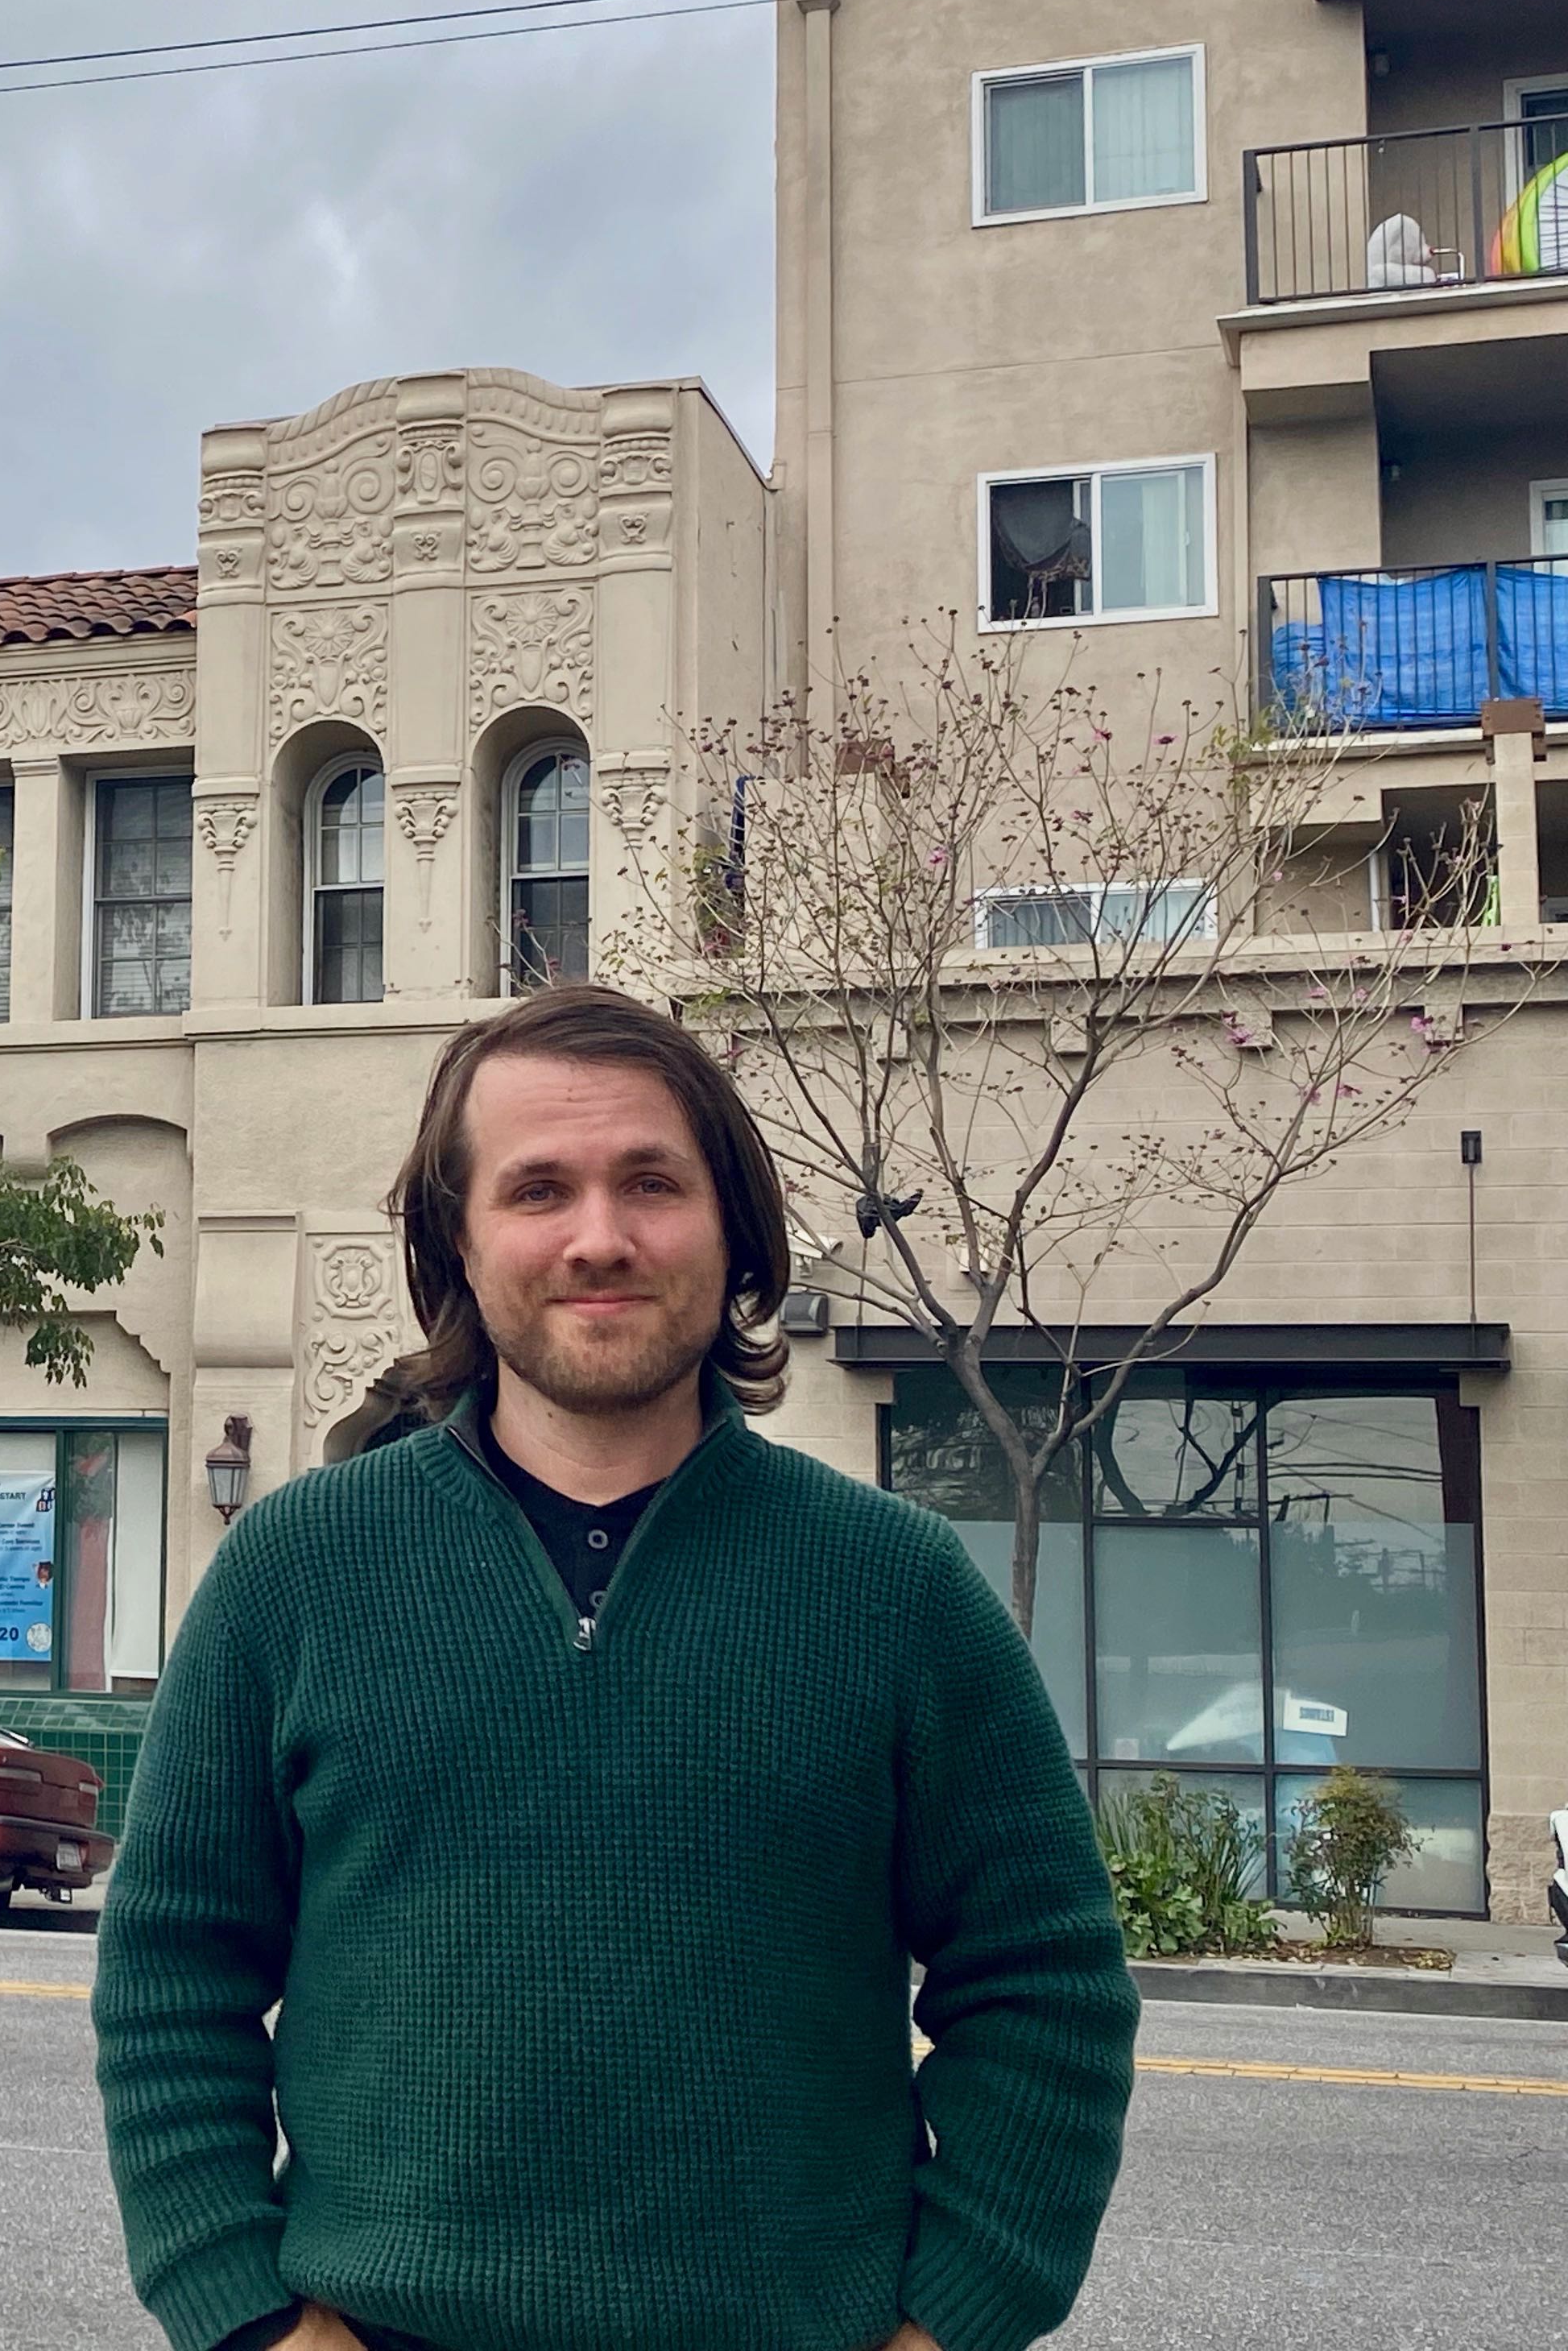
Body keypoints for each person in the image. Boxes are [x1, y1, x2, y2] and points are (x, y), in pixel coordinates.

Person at [94, 983, 1136, 2351]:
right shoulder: (294, 1574)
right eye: (538, 1190)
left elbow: (1045, 1986)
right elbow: (175, 1972)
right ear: (458, 1242)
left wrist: (952, 2323)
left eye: (652, 1181)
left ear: (732, 1231)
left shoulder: (897, 1592)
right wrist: (245, 2316)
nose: (601, 1237)